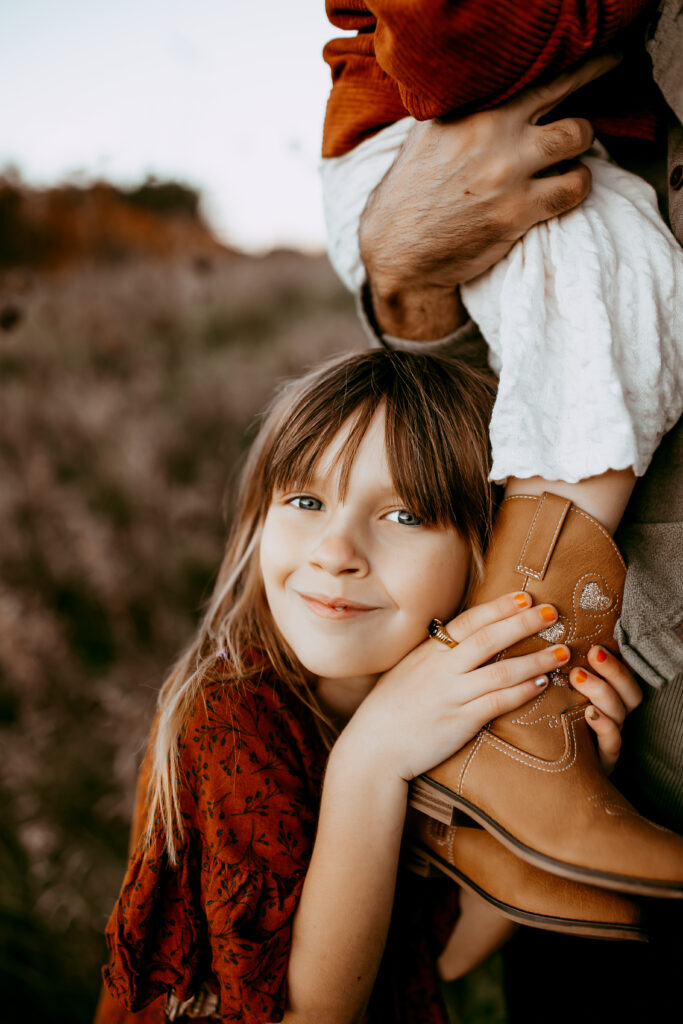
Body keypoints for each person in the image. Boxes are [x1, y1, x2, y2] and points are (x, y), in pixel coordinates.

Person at [94, 351, 643, 1024]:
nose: (334, 551)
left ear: (484, 558)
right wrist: (370, 759)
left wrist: (557, 789)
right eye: (304, 500)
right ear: (257, 522)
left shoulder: (445, 718)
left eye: (404, 515)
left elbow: (435, 956)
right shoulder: (229, 717)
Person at [319, 2, 683, 1017]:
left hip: (540, 175)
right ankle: (520, 732)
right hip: (475, 162)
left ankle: (513, 781)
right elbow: (439, 49)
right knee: (604, 371)